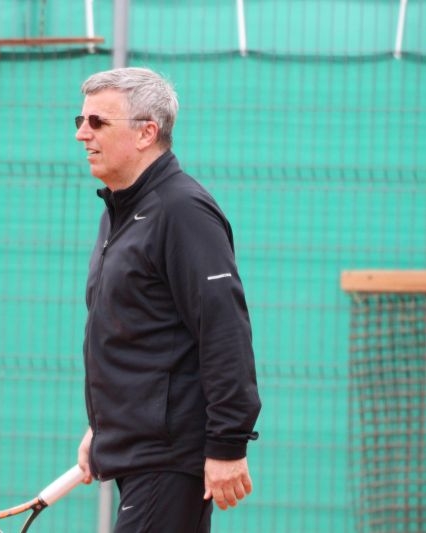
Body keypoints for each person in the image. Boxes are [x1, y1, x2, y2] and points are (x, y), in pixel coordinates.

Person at [74, 67, 262, 533]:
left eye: (97, 122)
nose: (82, 134)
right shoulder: (119, 212)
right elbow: (140, 335)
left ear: (146, 133)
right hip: (139, 453)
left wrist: (227, 445)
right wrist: (104, 427)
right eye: (80, 120)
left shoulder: (182, 210)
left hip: (168, 459)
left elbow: (224, 329)